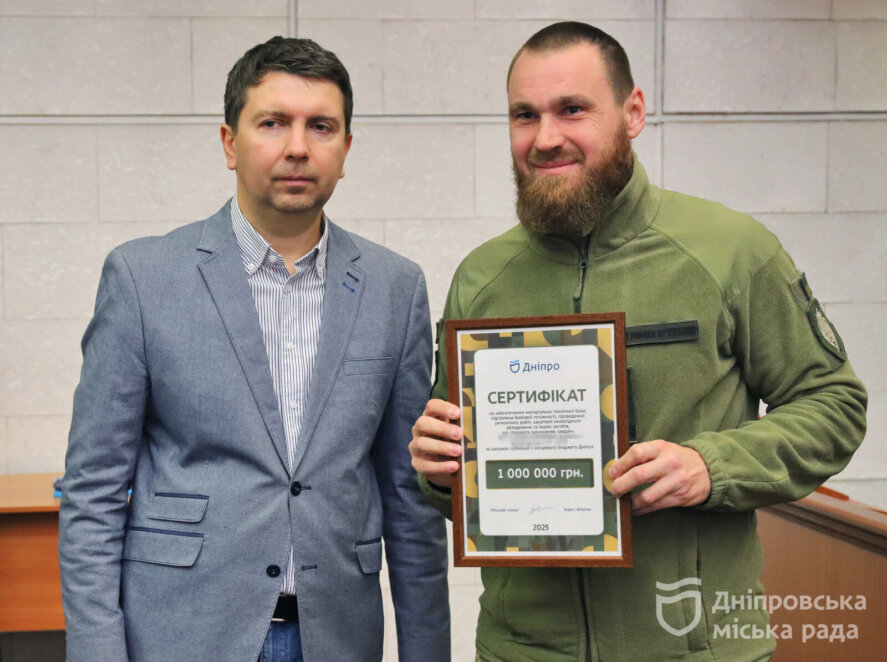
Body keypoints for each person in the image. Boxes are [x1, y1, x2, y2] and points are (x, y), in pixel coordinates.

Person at [410, 21, 866, 662]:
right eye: (524, 115)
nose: (545, 137)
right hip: (521, 651)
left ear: (632, 113)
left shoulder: (731, 251)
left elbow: (835, 406)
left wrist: (712, 467)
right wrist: (436, 467)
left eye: (573, 109)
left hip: (696, 647)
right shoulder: (482, 277)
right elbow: (458, 482)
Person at [59, 36, 450, 662]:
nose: (298, 147)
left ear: (346, 150)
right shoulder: (142, 278)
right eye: (272, 123)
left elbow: (411, 498)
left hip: (338, 634)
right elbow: (93, 493)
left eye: (321, 126)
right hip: (183, 632)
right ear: (229, 142)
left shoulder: (395, 288)